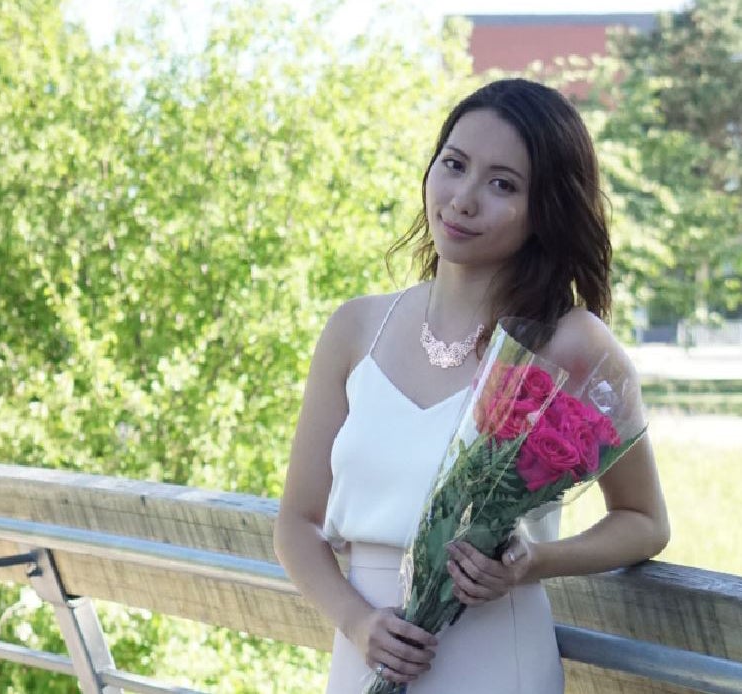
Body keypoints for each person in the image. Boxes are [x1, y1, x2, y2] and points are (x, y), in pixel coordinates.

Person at [274, 78, 670, 693]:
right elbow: (297, 523)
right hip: (366, 655)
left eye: (502, 184)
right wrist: (358, 624)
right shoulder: (356, 328)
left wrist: (532, 562)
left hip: (497, 655)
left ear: (546, 210)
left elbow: (644, 520)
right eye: (454, 166)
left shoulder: (573, 347)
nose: (462, 199)